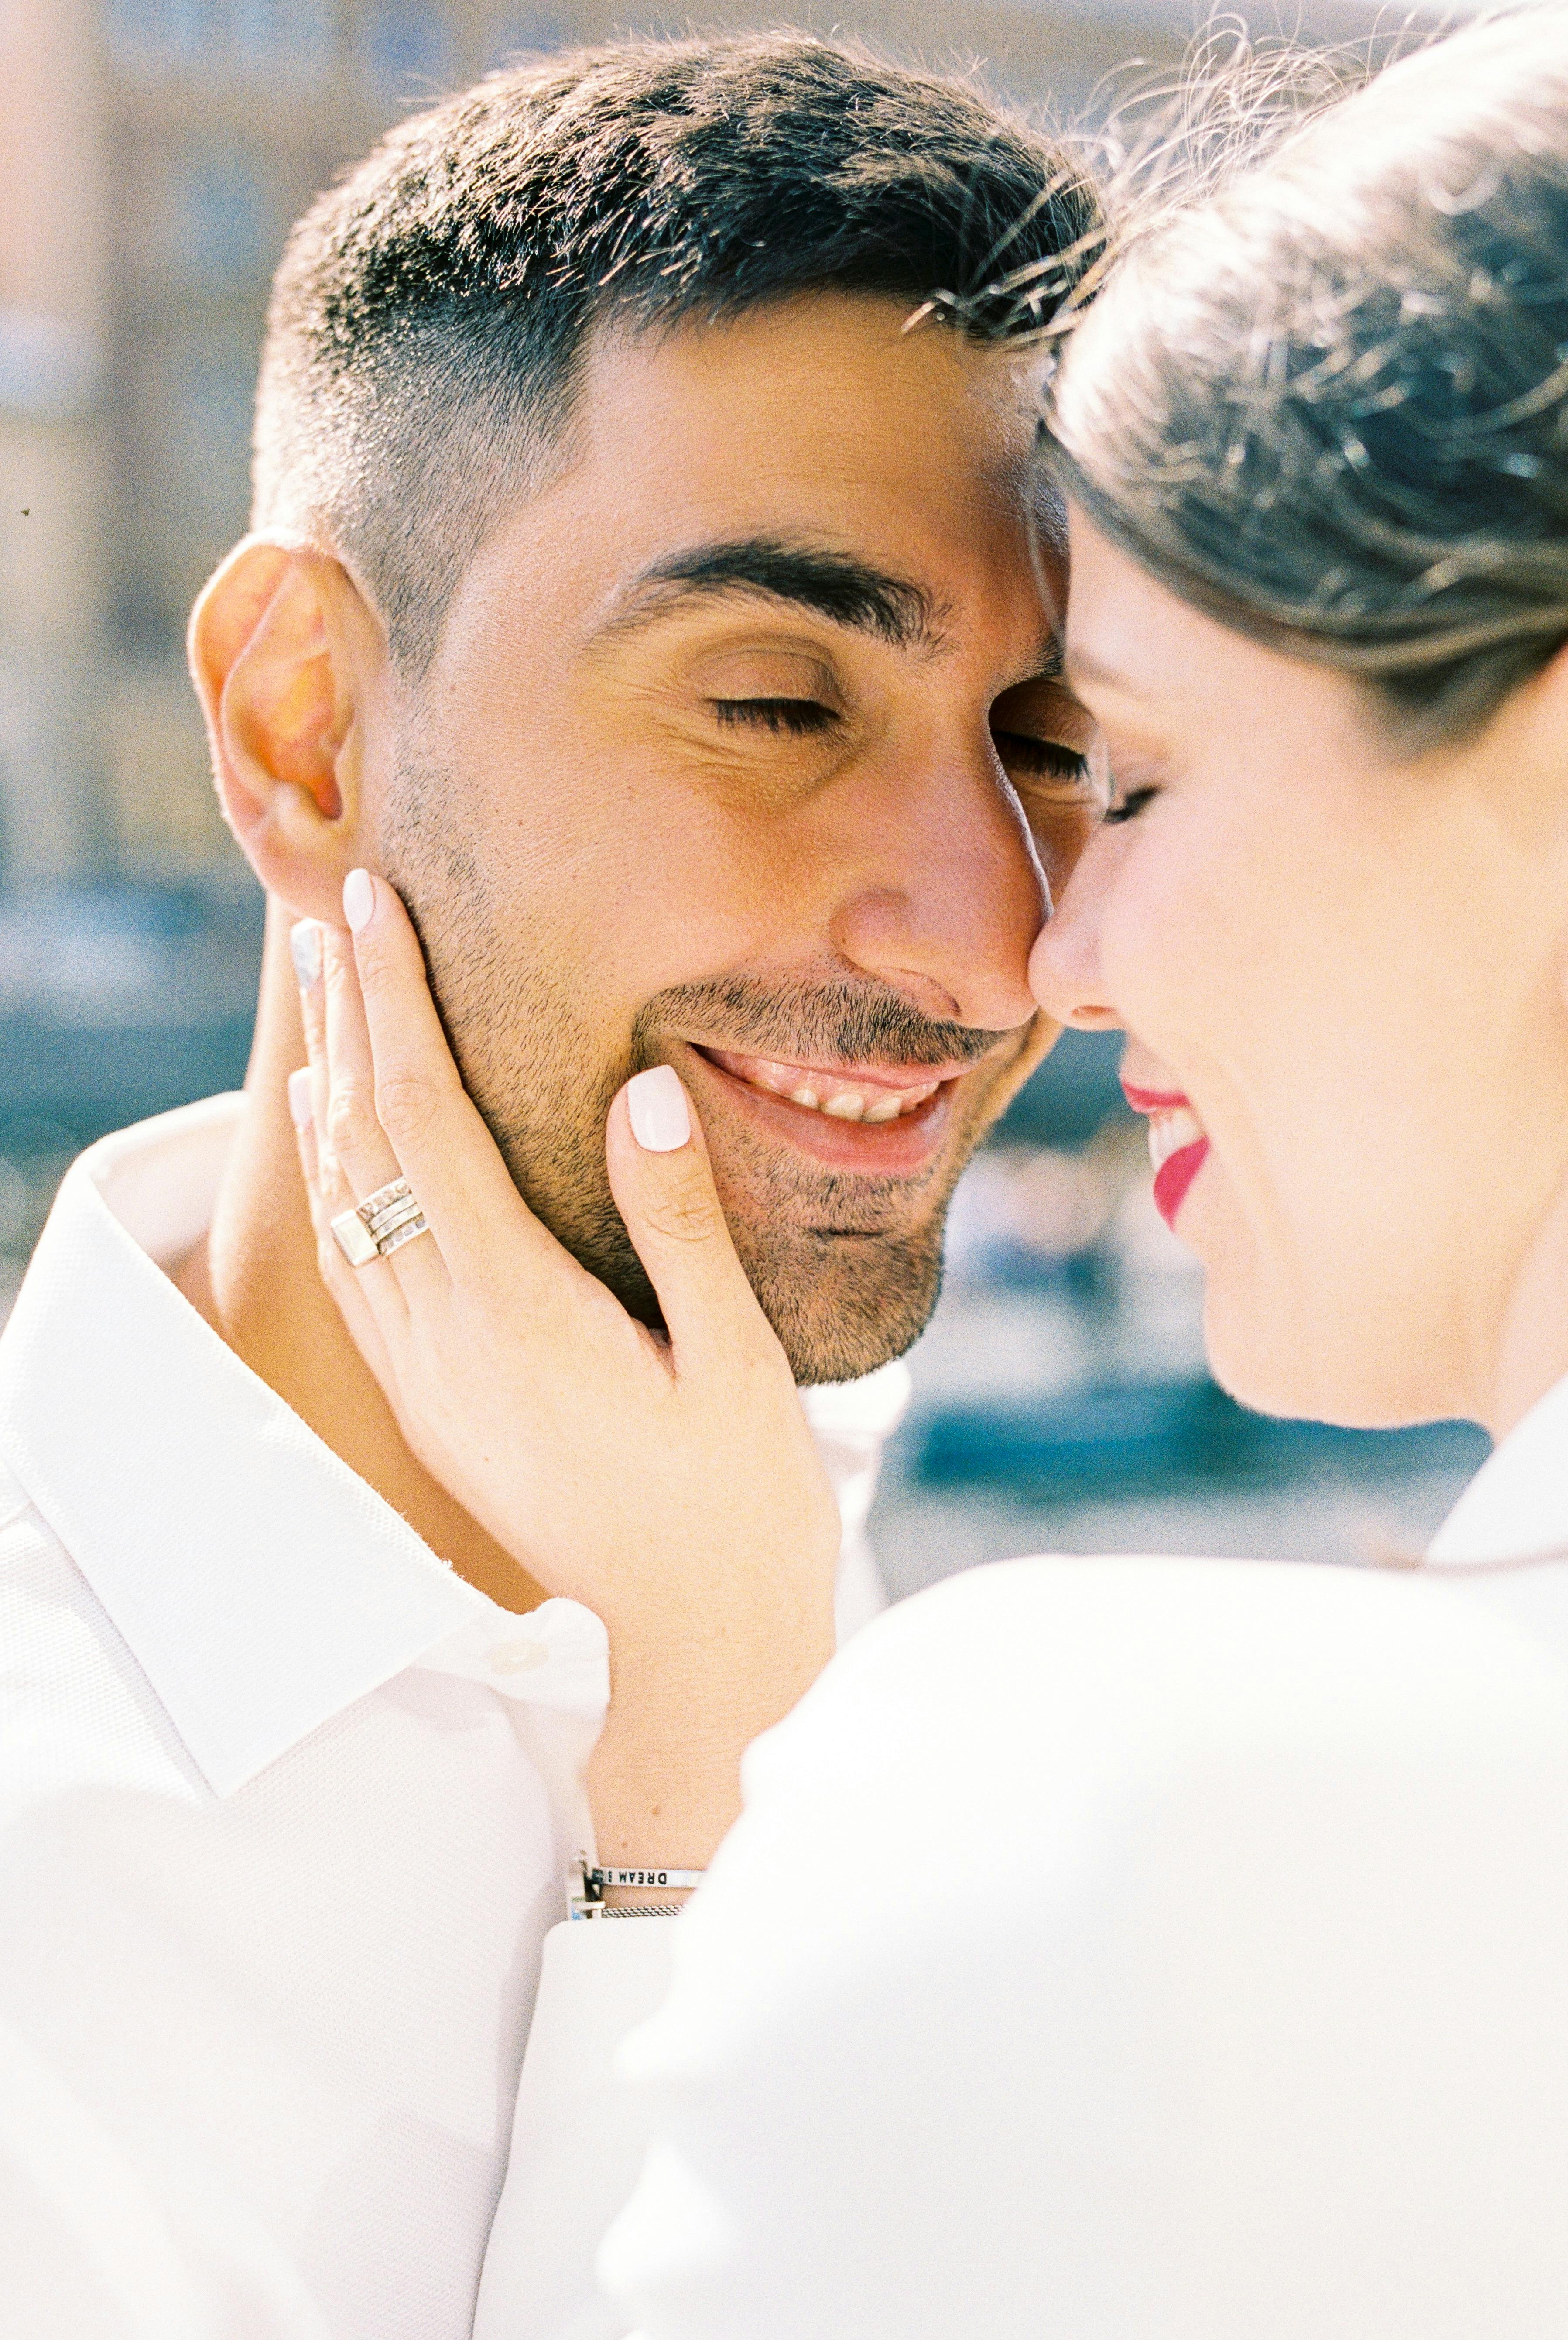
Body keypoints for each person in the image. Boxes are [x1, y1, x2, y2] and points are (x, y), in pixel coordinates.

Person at [281, 6, 1568, 2331]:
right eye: (783, 711)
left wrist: (707, 1747)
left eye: (1126, 771)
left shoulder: (1098, 1814)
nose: (1043, 955)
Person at [0, 36, 1102, 2337]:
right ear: (304, 728)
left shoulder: (872, 1548)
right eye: (779, 704)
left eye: (1054, 745)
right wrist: (709, 1823)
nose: (996, 932)